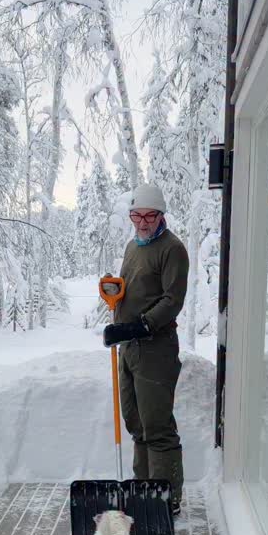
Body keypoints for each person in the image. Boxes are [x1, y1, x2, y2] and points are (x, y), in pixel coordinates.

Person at [102, 183, 189, 513]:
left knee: (157, 426)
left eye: (149, 216)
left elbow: (172, 300)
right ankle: (144, 491)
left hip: (156, 349)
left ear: (161, 215)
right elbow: (137, 288)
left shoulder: (172, 249)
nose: (142, 223)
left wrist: (140, 325)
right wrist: (116, 292)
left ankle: (168, 500)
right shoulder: (133, 246)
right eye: (136, 216)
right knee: (136, 423)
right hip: (130, 348)